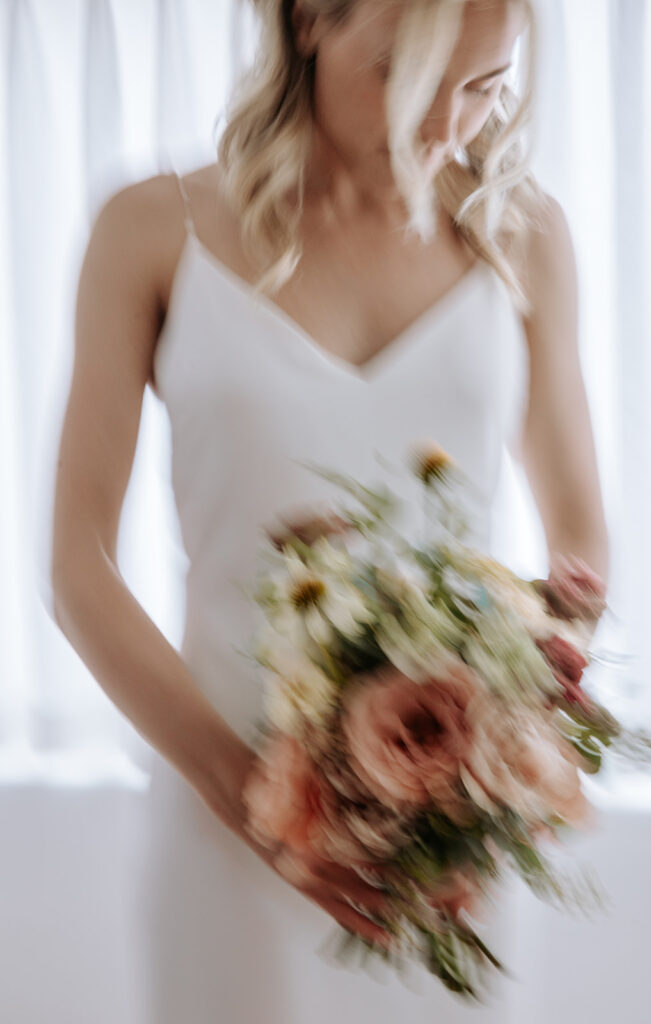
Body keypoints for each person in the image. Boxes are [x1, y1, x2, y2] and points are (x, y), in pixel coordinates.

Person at [50, 0, 610, 1019]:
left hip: (443, 841)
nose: (441, 127)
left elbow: (576, 534)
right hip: (225, 821)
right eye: (407, 76)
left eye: (482, 88)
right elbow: (78, 562)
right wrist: (252, 799)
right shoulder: (148, 228)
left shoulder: (522, 236)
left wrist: (502, 727)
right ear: (309, 21)